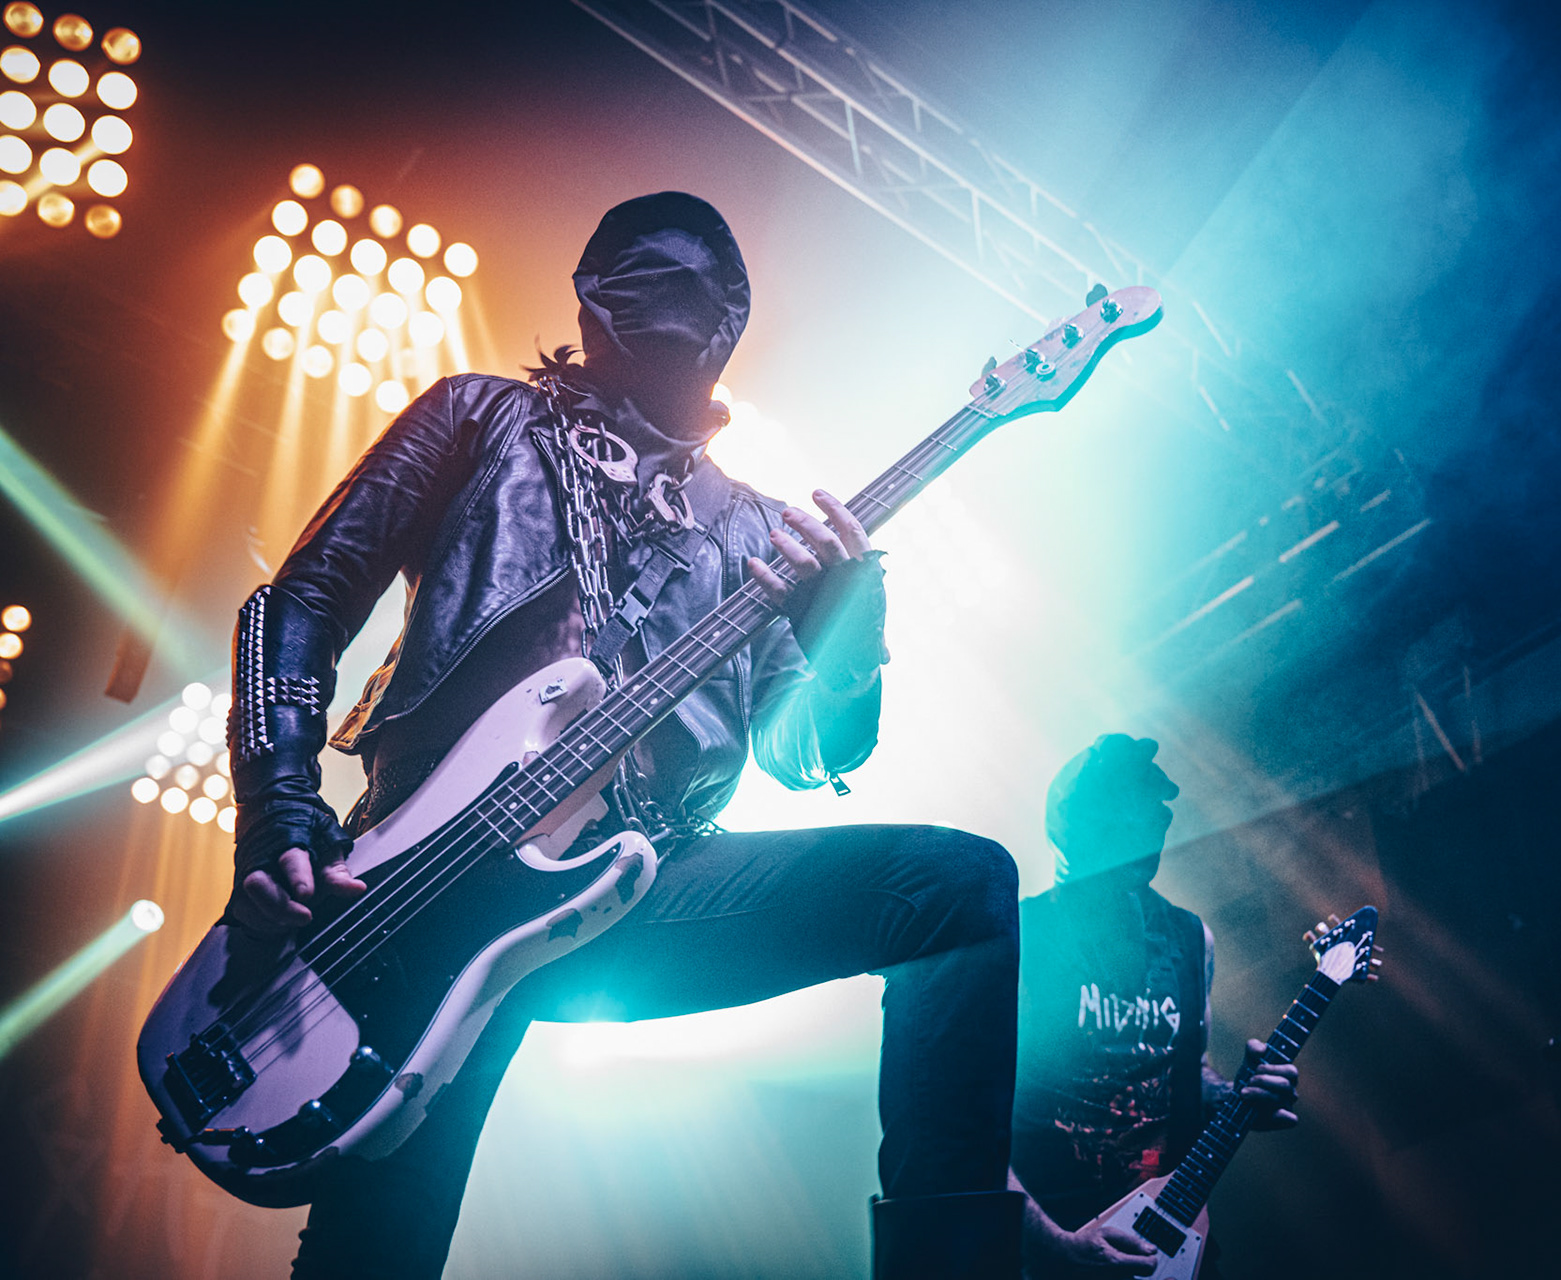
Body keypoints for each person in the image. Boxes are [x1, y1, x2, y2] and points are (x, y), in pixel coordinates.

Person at [224, 192, 1023, 1279]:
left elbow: (817, 754)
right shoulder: (481, 417)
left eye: (709, 288)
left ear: (734, 327)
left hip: (648, 887)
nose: (683, 302)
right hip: (421, 889)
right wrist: (280, 811)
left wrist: (848, 631)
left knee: (959, 889)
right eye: (653, 273)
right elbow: (301, 600)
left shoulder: (756, 530)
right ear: (589, 295)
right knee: (379, 1248)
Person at [1010, 735, 1298, 1278]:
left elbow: (1190, 1071)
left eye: (1155, 808)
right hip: (1056, 1242)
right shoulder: (1022, 940)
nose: (1156, 820)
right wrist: (1051, 1244)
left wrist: (1239, 1095)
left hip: (1168, 1236)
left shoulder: (1191, 939)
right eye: (1133, 806)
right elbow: (971, 1125)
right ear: (1080, 824)